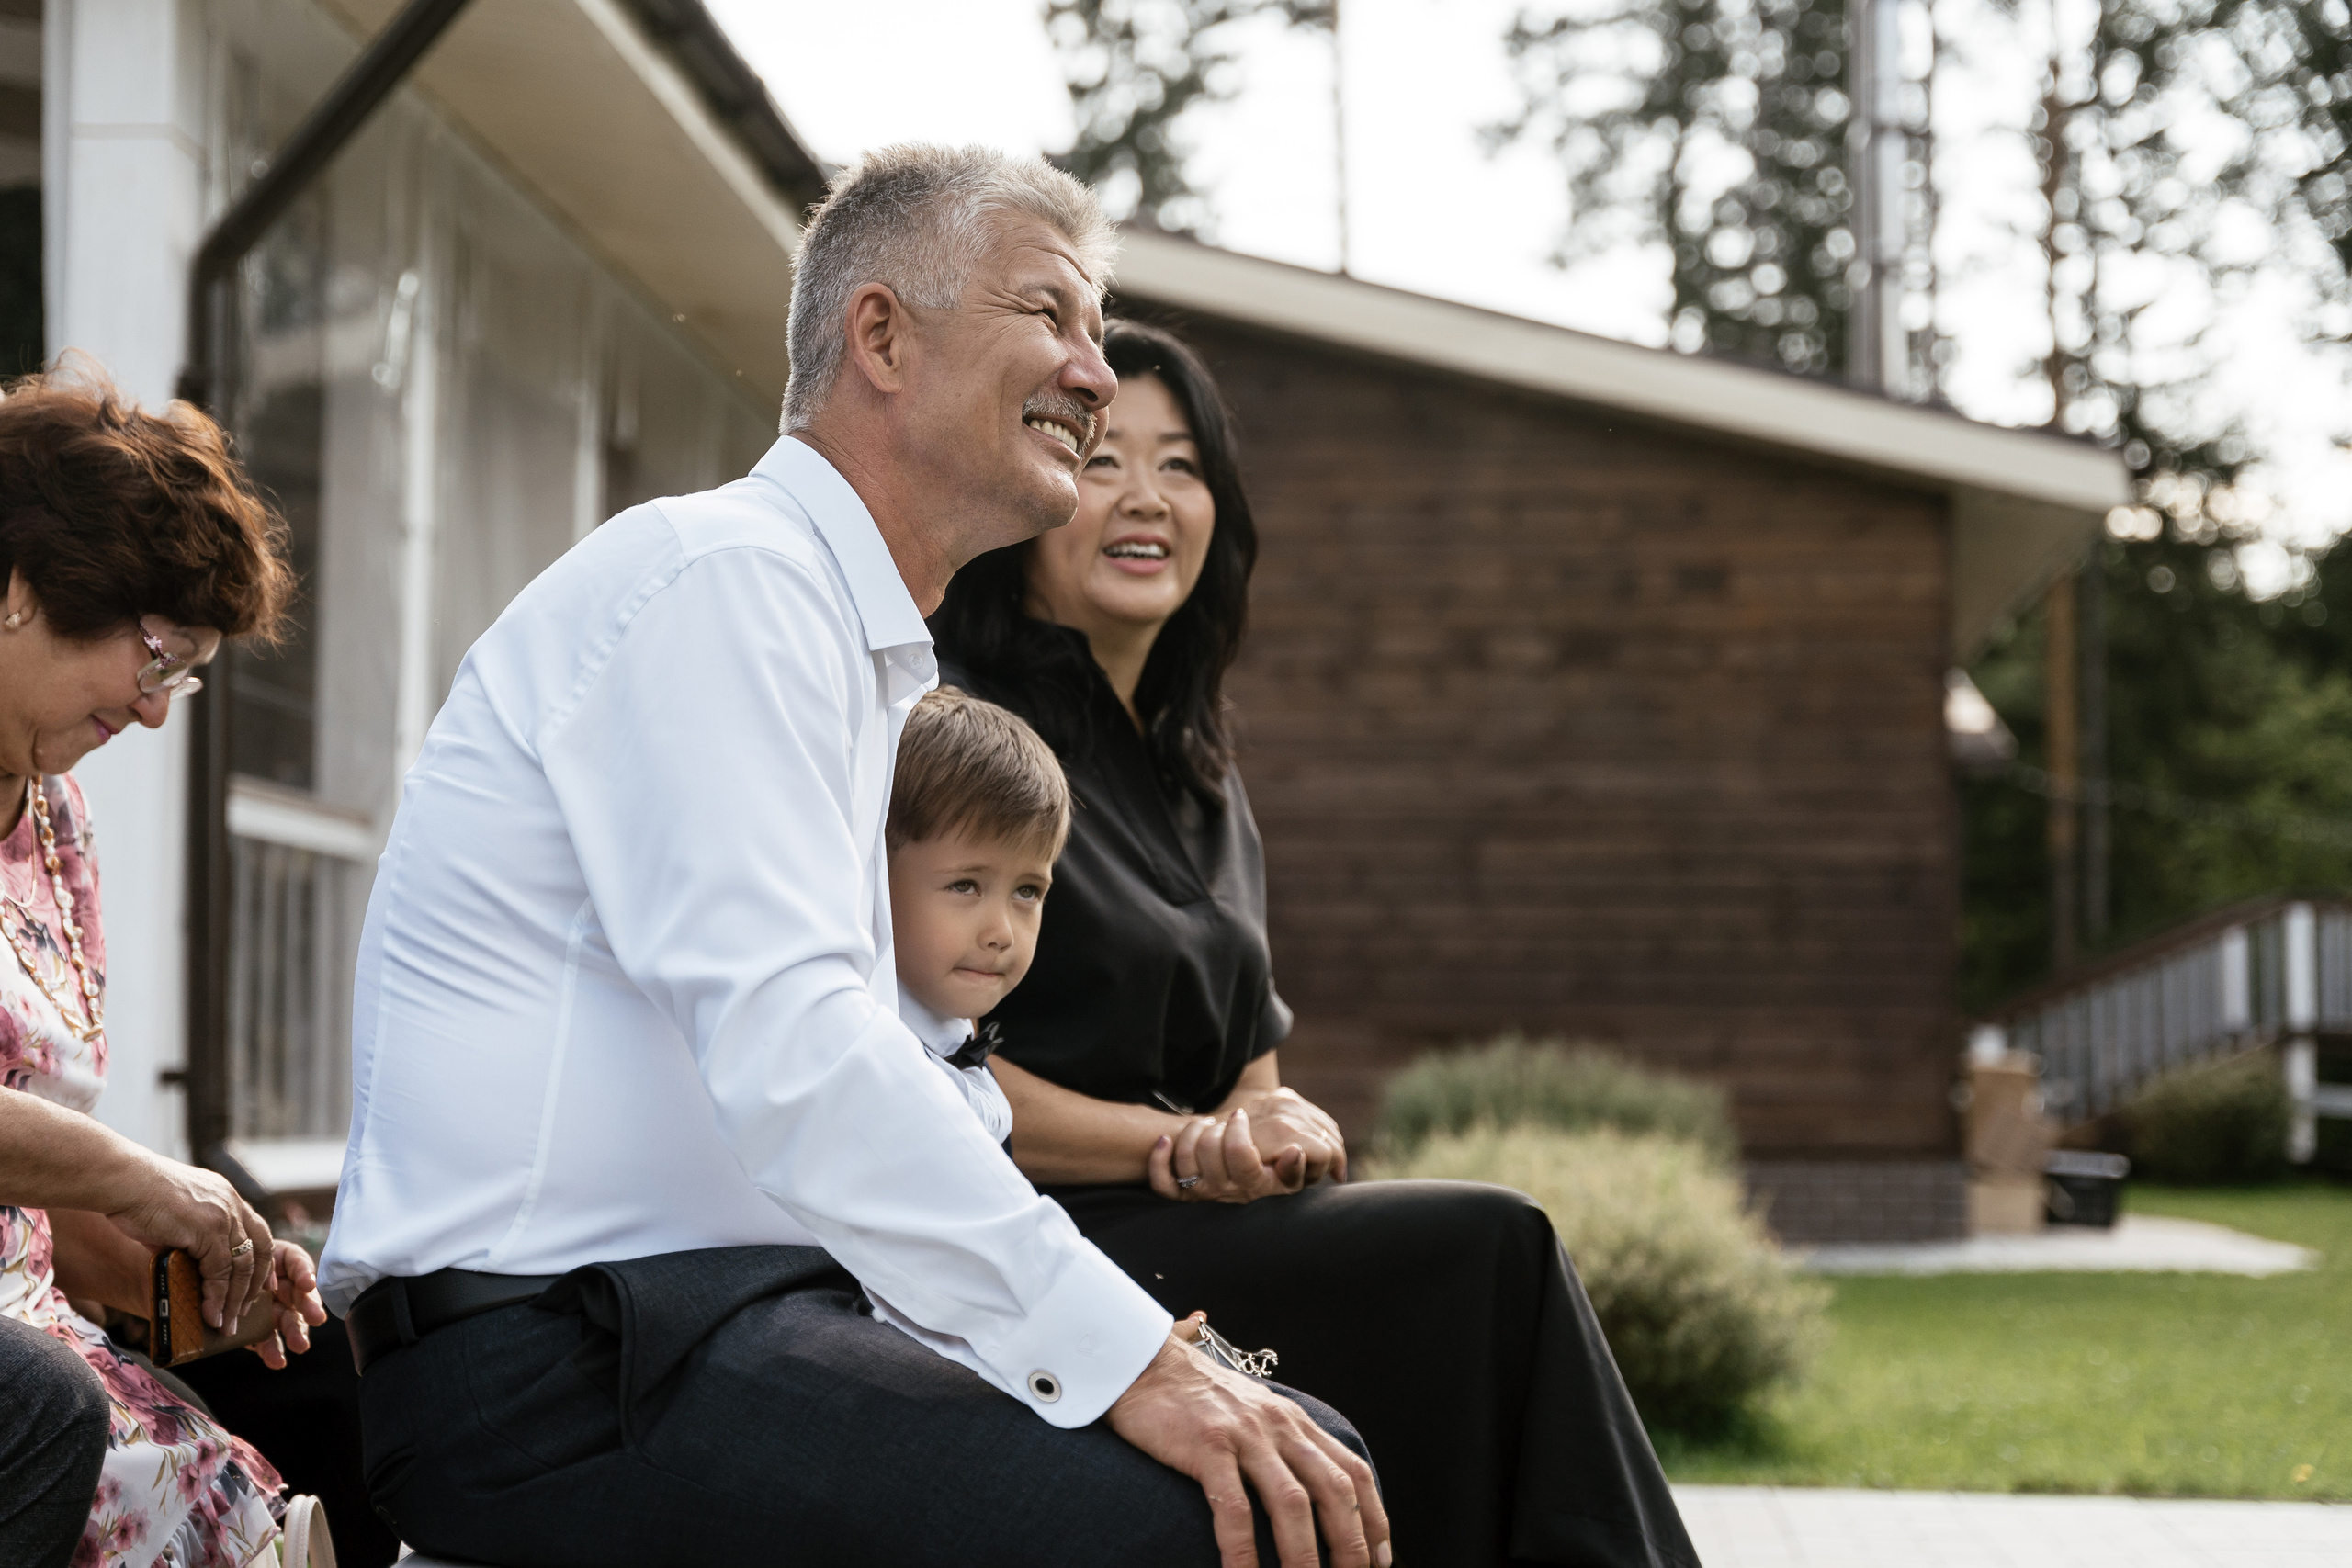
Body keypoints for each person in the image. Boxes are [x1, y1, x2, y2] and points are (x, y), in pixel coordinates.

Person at [320, 145, 1389, 1568]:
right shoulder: (724, 583)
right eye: (1053, 316)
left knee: (1306, 1448)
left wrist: (1138, 1341)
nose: (1093, 370)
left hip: (723, 1317)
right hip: (554, 1366)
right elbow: (801, 1050)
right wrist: (1125, 1357)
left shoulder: (859, 654)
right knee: (1215, 1513)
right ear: (881, 334)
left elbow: (897, 1078)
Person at [932, 320, 1702, 1568]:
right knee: (1488, 1250)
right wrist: (1183, 1147)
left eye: (1180, 466)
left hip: (1202, 1215)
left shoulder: (1200, 772)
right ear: (1031, 501)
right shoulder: (969, 729)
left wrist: (1269, 1130)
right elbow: (928, 1060)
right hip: (1050, 1235)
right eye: (1101, 456)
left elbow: (1251, 1065)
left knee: (1452, 1288)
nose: (1145, 497)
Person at [0, 369, 331, 1568]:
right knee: (52, 1410)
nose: (152, 713)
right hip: (23, 1389)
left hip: (29, 1344)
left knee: (327, 1371)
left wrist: (196, 1269)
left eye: (178, 676)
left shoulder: (57, 823)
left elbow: (35, 1214)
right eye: (150, 658)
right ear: (20, 592)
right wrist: (137, 1172)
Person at [883, 685, 1071, 1148]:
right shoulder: (879, 1066)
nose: (1002, 933)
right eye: (964, 886)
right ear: (876, 877)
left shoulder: (954, 1036)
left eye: (1028, 891)